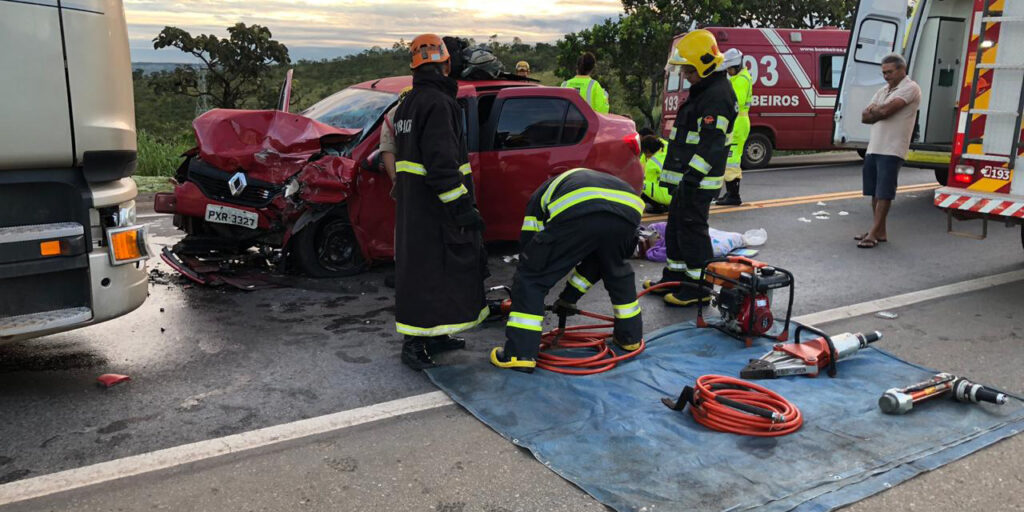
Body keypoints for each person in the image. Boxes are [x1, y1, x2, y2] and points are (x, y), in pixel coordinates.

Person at [393, 34, 488, 370]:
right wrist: (462, 208)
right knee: (429, 274)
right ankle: (414, 345)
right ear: (446, 64)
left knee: (434, 273)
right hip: (435, 209)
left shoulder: (410, 101)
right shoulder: (438, 103)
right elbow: (443, 164)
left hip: (416, 206)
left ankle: (436, 335)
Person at [491, 168, 644, 373]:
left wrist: (529, 273)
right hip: (628, 213)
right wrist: (568, 298)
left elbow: (531, 245)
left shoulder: (540, 196)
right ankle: (630, 338)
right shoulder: (586, 180)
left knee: (531, 277)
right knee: (616, 270)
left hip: (580, 211)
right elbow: (595, 264)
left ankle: (519, 355)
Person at [641, 29, 737, 306]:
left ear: (705, 65)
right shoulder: (704, 89)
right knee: (676, 229)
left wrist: (693, 176)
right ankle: (674, 277)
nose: (685, 75)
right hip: (687, 179)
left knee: (693, 231)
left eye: (689, 70)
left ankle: (698, 287)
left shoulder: (716, 95)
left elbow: (711, 143)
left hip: (699, 180)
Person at [856, 53, 921, 249]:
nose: (886, 76)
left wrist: (877, 110)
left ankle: (873, 233)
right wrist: (877, 111)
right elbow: (864, 116)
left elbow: (885, 111)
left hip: (893, 148)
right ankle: (880, 231)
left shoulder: (910, 88)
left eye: (890, 72)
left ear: (902, 70)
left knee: (884, 193)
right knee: (874, 192)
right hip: (875, 146)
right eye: (883, 72)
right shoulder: (883, 90)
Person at [717, 48, 753, 206]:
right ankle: (730, 193)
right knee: (730, 159)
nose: (728, 72)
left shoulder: (741, 80)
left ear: (737, 65)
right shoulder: (738, 78)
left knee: (732, 160)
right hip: (737, 123)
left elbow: (734, 102)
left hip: (738, 124)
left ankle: (733, 196)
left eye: (729, 69)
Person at [640, 135, 672, 212]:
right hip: (674, 194)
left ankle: (658, 207)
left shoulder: (653, 162)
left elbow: (645, 179)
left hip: (666, 196)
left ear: (647, 150)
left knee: (640, 185)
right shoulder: (665, 150)